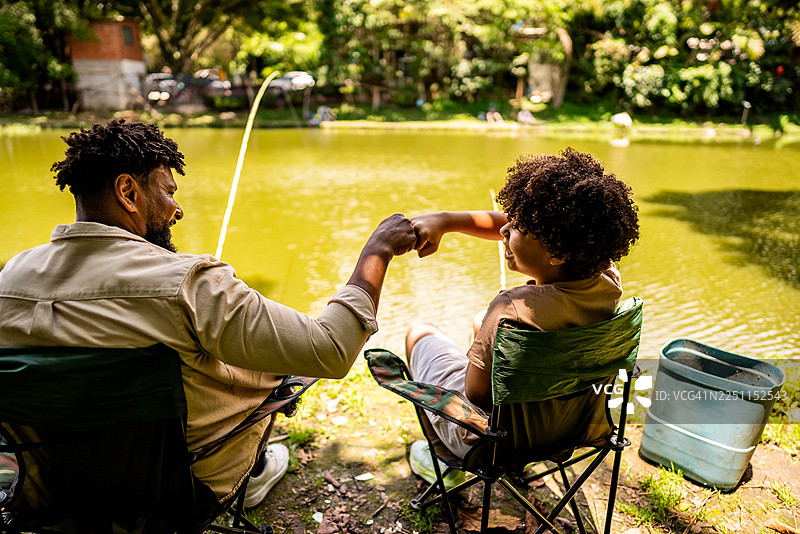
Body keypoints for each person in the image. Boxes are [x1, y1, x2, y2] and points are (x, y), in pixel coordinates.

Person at [0, 119, 417, 509]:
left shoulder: (9, 279)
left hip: (53, 488)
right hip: (175, 493)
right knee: (277, 374)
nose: (176, 210)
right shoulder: (190, 283)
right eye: (169, 192)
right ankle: (251, 474)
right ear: (128, 192)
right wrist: (377, 249)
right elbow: (330, 349)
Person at [404, 148, 640, 485]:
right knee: (477, 324)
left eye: (516, 227)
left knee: (419, 332)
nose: (504, 231)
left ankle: (443, 465)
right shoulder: (607, 277)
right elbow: (534, 229)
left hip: (493, 444)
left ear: (557, 251)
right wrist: (447, 221)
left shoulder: (509, 309)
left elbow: (477, 396)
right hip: (565, 430)